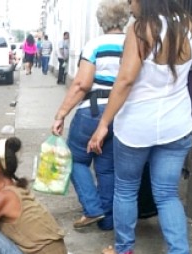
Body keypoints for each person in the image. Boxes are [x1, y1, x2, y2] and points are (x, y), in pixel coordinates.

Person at [87, 0, 192, 254]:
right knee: (167, 194)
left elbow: (124, 81)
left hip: (136, 125)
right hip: (177, 124)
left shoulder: (140, 29)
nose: (130, 4)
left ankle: (123, 251)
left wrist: (103, 124)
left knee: (126, 188)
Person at [52, 0, 130, 231]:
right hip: (120, 113)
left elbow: (81, 84)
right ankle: (107, 219)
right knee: (106, 167)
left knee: (76, 159)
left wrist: (61, 114)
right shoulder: (133, 45)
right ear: (125, 18)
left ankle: (93, 208)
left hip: (93, 111)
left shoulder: (95, 45)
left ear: (101, 20)